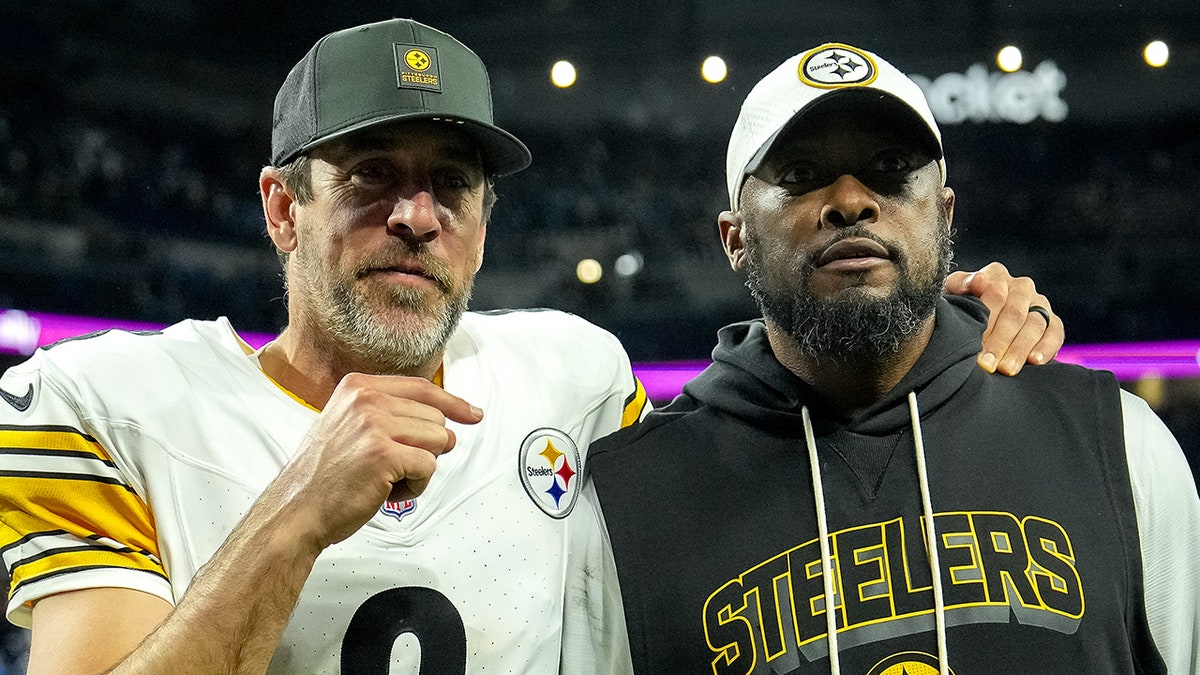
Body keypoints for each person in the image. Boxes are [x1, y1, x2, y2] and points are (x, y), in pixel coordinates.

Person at [0, 22, 1060, 674]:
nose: (417, 215)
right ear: (283, 208)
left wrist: (937, 324)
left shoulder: (573, 379)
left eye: (452, 184)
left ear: (485, 222)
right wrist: (295, 516)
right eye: (372, 175)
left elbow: (775, 448)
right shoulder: (110, 402)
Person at [567, 43, 1200, 674]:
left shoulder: (1118, 444)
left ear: (944, 215)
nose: (851, 200)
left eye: (891, 166)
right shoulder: (630, 511)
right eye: (799, 173)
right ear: (734, 239)